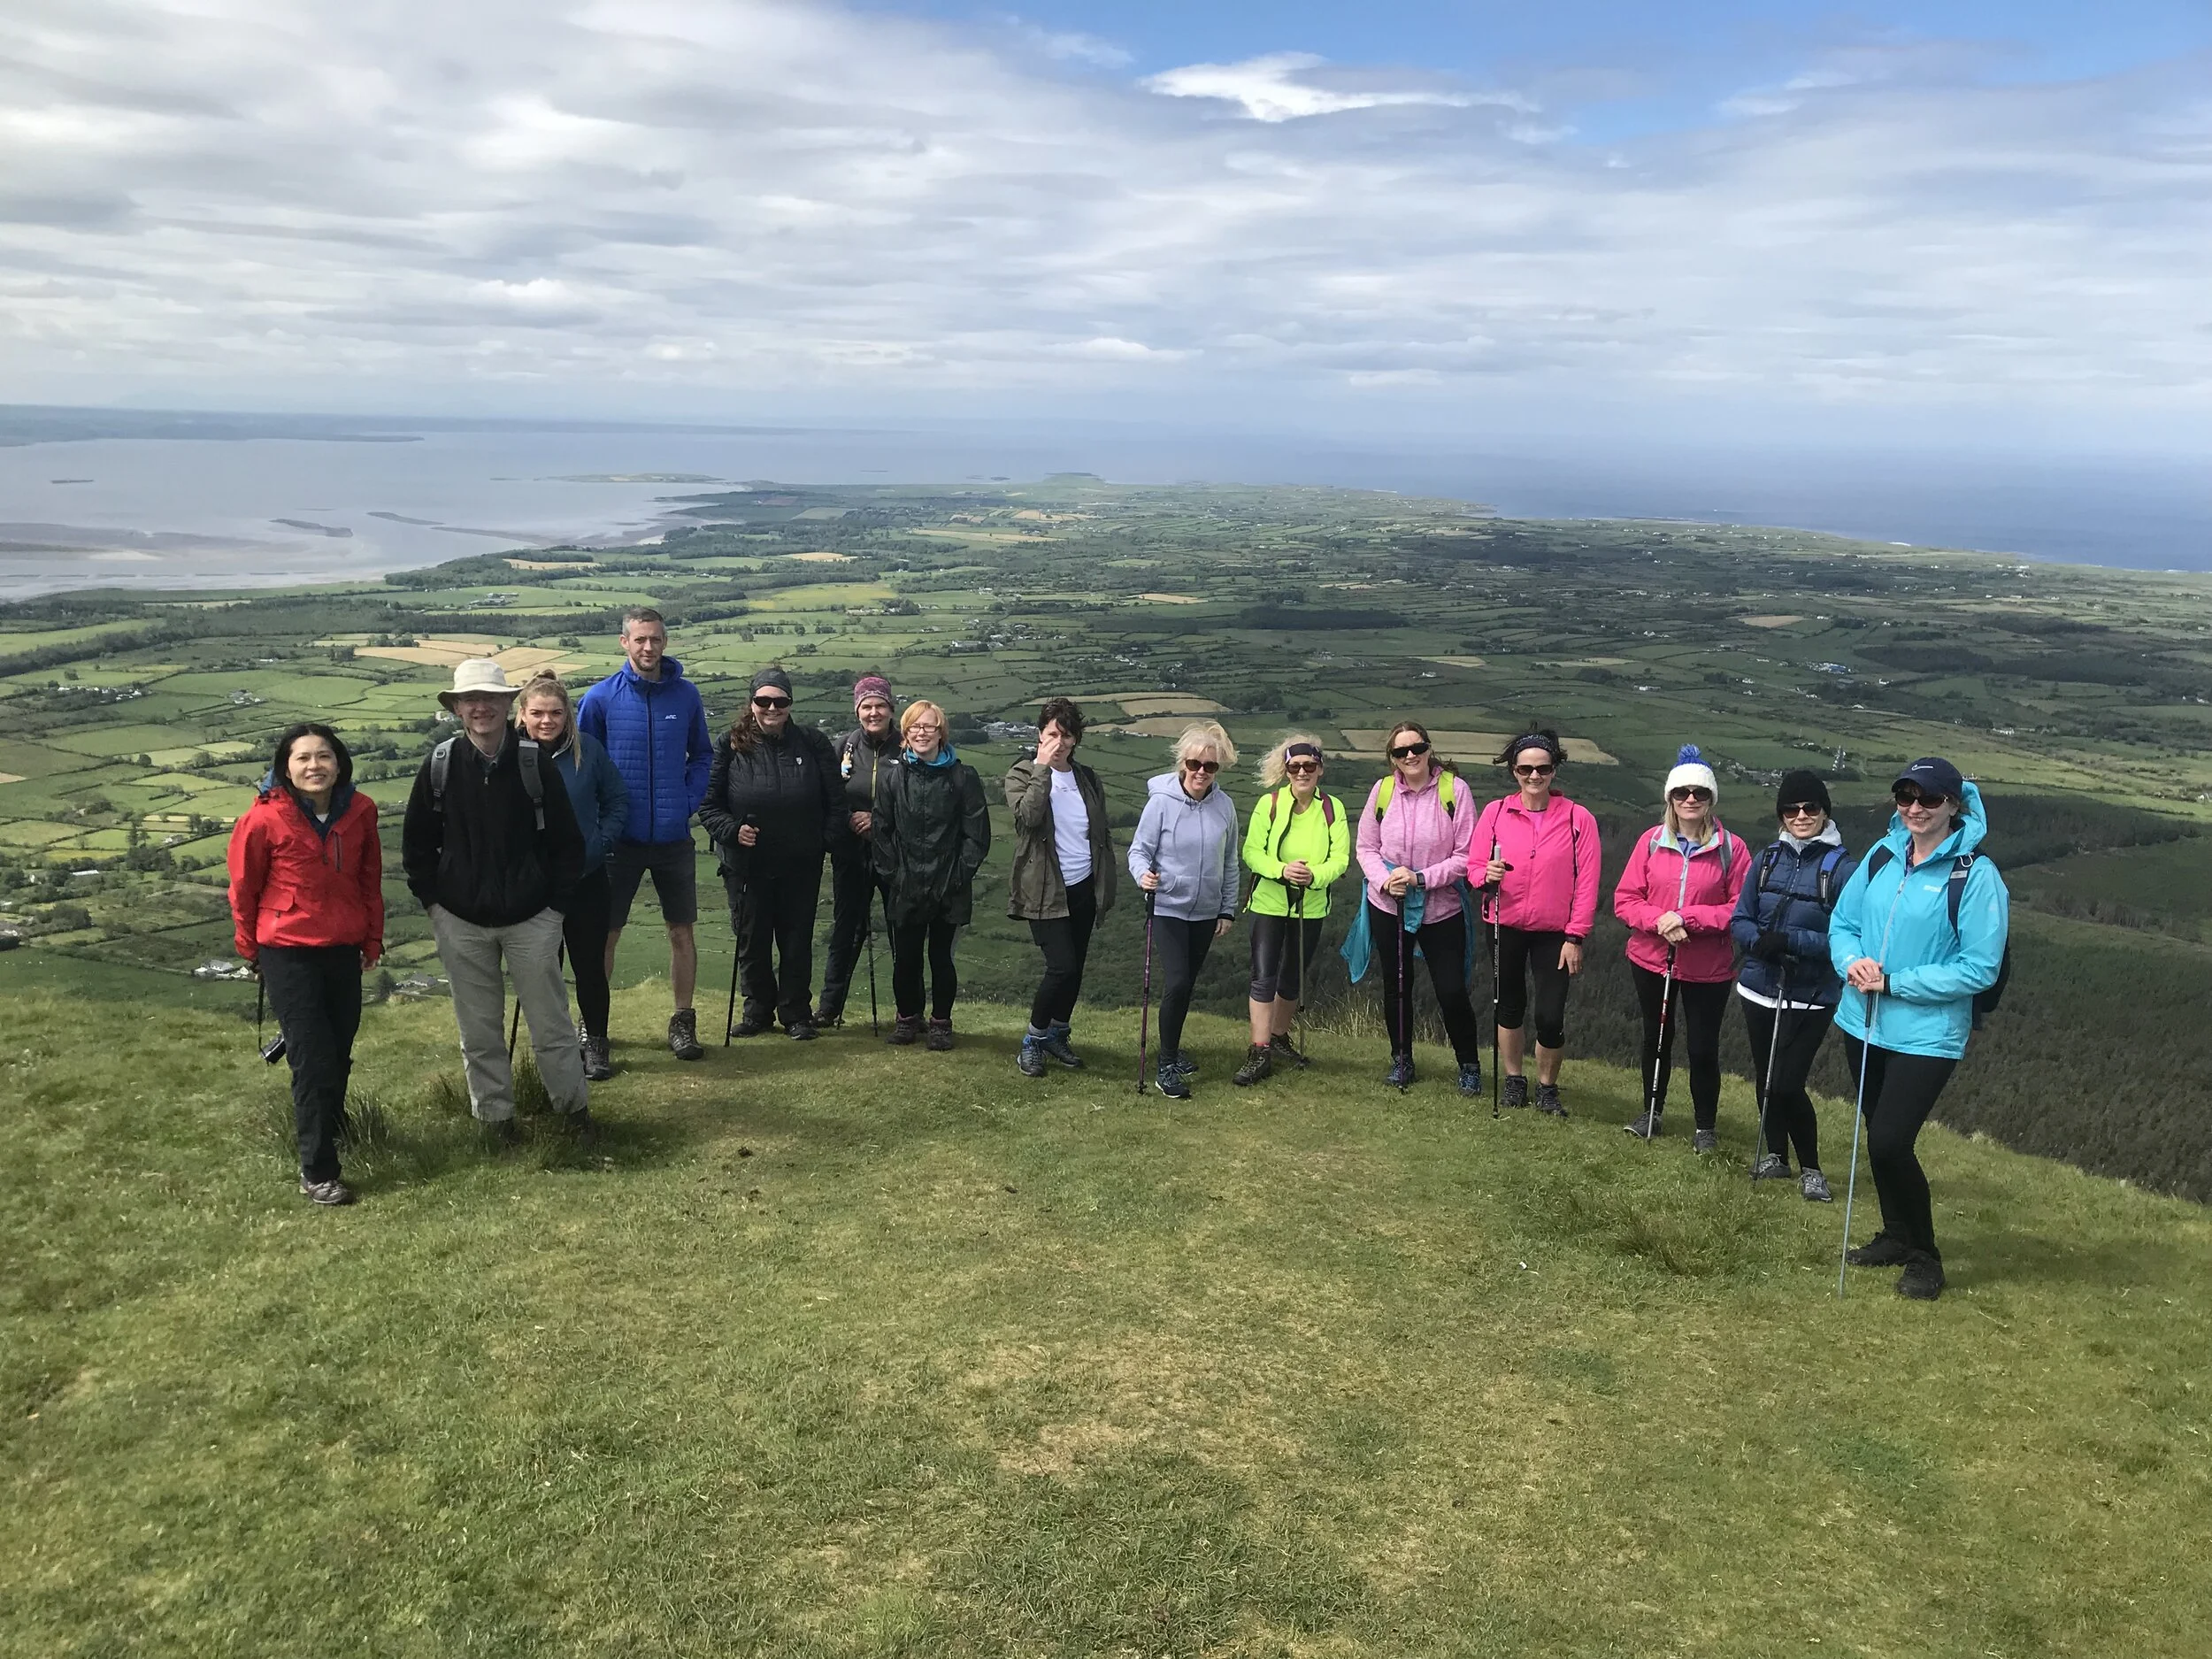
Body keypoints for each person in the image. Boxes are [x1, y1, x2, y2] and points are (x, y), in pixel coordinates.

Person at [1830, 758, 2010, 1301]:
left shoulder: (1976, 875)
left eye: (1929, 799)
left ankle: (1925, 1258)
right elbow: (1844, 923)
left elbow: (1980, 967)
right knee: (1879, 1138)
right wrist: (1851, 963)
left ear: (1954, 804)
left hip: (1927, 1034)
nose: (1914, 808)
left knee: (1889, 1141)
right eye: (1905, 796)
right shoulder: (1883, 855)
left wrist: (1895, 982)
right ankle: (1895, 1234)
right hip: (1861, 1022)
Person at [402, 660, 591, 1142]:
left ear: (509, 705)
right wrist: (436, 907)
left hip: (532, 919)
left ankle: (573, 1117)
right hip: (460, 921)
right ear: (458, 708)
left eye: (490, 698)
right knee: (479, 1031)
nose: (480, 707)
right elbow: (417, 847)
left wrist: (554, 911)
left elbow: (568, 846)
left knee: (552, 1025)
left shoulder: (534, 765)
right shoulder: (440, 765)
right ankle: (495, 1122)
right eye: (470, 699)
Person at [228, 723, 384, 1205]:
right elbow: (244, 888)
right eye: (302, 758)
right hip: (287, 949)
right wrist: (250, 948)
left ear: (339, 763)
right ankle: (318, 1169)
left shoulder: (360, 811)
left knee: (338, 1048)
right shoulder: (263, 819)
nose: (314, 766)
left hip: (341, 945)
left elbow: (369, 878)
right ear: (285, 766)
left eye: (324, 756)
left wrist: (371, 939)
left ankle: (332, 1130)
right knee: (313, 1058)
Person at [576, 607, 714, 1061]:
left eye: (655, 639)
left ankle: (683, 1023)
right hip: (618, 840)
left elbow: (702, 757)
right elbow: (583, 766)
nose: (648, 647)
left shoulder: (686, 696)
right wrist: (602, 822)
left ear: (665, 641)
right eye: (639, 640)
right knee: (606, 934)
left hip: (674, 837)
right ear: (624, 643)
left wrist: (687, 802)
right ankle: (594, 1029)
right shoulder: (599, 699)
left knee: (681, 931)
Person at [1615, 744, 1752, 1148]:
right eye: (1681, 793)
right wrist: (1659, 920)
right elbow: (1625, 899)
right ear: (1670, 799)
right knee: (1655, 1038)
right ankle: (1651, 1113)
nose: (1690, 799)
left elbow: (1739, 909)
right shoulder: (1652, 841)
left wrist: (1687, 918)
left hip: (1707, 967)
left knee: (1703, 1047)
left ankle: (1705, 1127)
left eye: (1700, 793)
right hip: (1651, 959)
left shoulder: (1732, 848)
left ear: (1711, 800)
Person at [1730, 770, 1855, 1202]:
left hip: (1811, 996)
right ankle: (1777, 1156)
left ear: (1825, 812)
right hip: (1758, 987)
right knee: (1766, 1077)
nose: (1801, 815)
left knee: (1787, 1083)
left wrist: (1791, 942)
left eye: (1811, 808)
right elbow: (1741, 918)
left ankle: (1812, 1168)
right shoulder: (1765, 860)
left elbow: (1849, 938)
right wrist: (1761, 945)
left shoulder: (1843, 869)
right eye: (1791, 809)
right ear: (1781, 814)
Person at [697, 667, 841, 1040]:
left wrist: (820, 842)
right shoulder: (729, 743)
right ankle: (758, 1011)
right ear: (752, 703)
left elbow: (835, 803)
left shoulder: (813, 743)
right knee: (752, 939)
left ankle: (796, 1014)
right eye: (763, 700)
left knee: (796, 940)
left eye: (780, 701)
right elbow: (709, 806)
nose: (772, 707)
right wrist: (732, 831)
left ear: (791, 704)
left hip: (800, 864)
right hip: (747, 865)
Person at [1471, 730, 1601, 1117]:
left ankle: (1547, 1088)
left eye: (1542, 768)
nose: (1534, 776)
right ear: (1514, 771)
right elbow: (1475, 868)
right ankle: (1514, 1080)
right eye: (1525, 768)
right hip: (1504, 923)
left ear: (1554, 770)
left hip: (1555, 934)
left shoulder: (1579, 819)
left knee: (1549, 1014)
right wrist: (1486, 876)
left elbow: (1587, 883)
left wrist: (1576, 936)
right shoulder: (1494, 812)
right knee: (1508, 1007)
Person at [1355, 720, 1486, 1094]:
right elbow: (1366, 848)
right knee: (1397, 987)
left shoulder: (1454, 791)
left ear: (1429, 749)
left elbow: (1466, 856)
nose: (1410, 756)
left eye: (1417, 748)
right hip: (1388, 904)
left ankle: (1469, 1065)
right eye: (1401, 752)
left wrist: (1421, 878)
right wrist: (1385, 880)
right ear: (1392, 758)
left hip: (1439, 907)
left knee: (1450, 989)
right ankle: (1402, 1060)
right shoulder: (1381, 792)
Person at [518, 673, 629, 1081]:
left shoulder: (589, 752)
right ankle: (556, 1047)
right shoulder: (510, 756)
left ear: (568, 715)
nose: (547, 721)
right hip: (534, 885)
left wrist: (599, 844)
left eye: (555, 713)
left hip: (586, 878)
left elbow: (616, 799)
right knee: (543, 971)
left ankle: (595, 1044)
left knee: (589, 968)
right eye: (538, 713)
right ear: (523, 714)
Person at [1005, 697, 1118, 1078]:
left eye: (1067, 735)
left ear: (1077, 739)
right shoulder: (1022, 773)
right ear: (1040, 735)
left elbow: (1098, 833)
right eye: (1053, 733)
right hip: (1044, 889)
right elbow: (1029, 817)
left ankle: (1057, 1033)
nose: (1060, 741)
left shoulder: (1087, 778)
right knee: (1061, 966)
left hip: (1083, 886)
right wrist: (1042, 768)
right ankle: (1032, 1042)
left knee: (1076, 969)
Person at [1128, 721, 1241, 1100]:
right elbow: (1139, 851)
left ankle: (1172, 1049)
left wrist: (1227, 910)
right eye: (1195, 764)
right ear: (1182, 763)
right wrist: (1142, 875)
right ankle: (1166, 1065)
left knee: (1186, 985)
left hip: (1207, 911)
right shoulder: (1161, 802)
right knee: (1177, 982)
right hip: (1169, 908)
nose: (1201, 772)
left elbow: (1230, 863)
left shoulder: (1225, 807)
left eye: (1210, 767)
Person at [872, 700, 991, 1049]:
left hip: (949, 885)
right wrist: (895, 875)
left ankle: (940, 1023)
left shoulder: (963, 777)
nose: (922, 733)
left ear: (942, 733)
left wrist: (956, 877)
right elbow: (881, 831)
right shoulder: (893, 778)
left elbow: (977, 835)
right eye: (914, 727)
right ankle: (908, 1019)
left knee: (942, 958)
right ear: (905, 735)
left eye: (930, 727)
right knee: (905, 958)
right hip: (906, 884)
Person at [1233, 735, 1350, 1087]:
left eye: (1309, 766)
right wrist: (1281, 870)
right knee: (1263, 976)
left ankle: (1279, 1037)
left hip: (1310, 904)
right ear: (1286, 771)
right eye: (1295, 767)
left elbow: (1341, 859)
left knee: (1292, 977)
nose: (1302, 772)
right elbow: (1252, 852)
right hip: (1269, 902)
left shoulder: (1333, 808)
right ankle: (1259, 1049)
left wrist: (1313, 876)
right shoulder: (1268, 804)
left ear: (1319, 770)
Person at [816, 674, 901, 1028]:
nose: (873, 712)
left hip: (897, 853)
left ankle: (907, 1012)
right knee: (846, 931)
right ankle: (828, 1008)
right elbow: (827, 797)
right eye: (866, 706)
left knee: (902, 931)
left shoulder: (908, 746)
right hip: (851, 854)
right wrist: (850, 818)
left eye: (880, 705)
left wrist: (878, 819)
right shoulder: (843, 748)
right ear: (857, 711)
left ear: (891, 709)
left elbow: (918, 801)